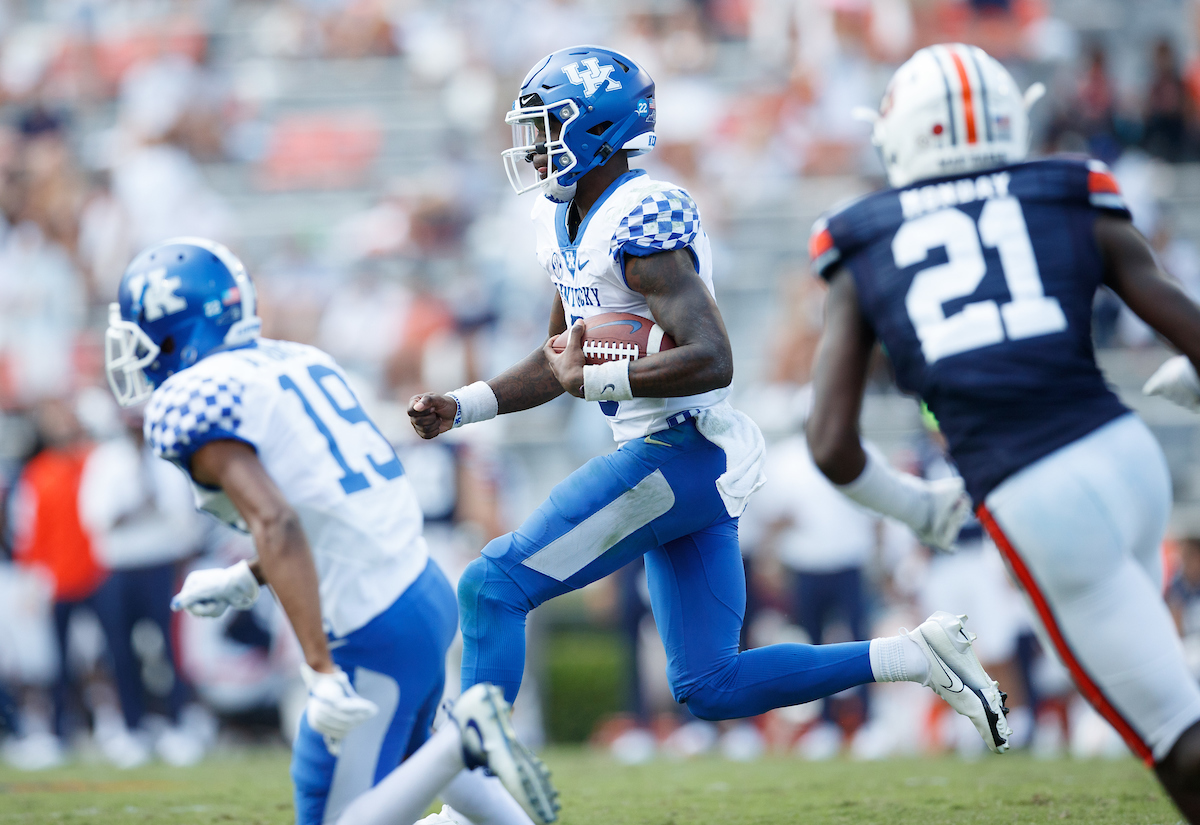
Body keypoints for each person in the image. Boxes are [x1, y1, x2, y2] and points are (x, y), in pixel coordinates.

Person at [407, 45, 1012, 775]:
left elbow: (713, 356)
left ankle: (479, 800)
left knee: (492, 586)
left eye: (547, 127)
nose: (533, 148)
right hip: (676, 458)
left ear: (594, 128)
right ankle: (917, 654)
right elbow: (560, 356)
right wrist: (464, 405)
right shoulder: (560, 218)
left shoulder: (640, 219)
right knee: (710, 683)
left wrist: (602, 381)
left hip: (675, 452)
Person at [805, 42, 1200, 821]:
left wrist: (916, 506)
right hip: (1127, 454)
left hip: (1037, 494)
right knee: (1167, 686)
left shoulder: (861, 237)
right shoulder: (1068, 187)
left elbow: (830, 442)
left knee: (1174, 734)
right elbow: (1176, 314)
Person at [104, 237, 556, 825]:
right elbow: (328, 504)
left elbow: (276, 519)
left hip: (370, 621)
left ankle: (463, 739)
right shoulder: (298, 359)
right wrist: (249, 576)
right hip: (420, 588)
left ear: (174, 329)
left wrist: (319, 670)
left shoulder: (192, 398)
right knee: (412, 753)